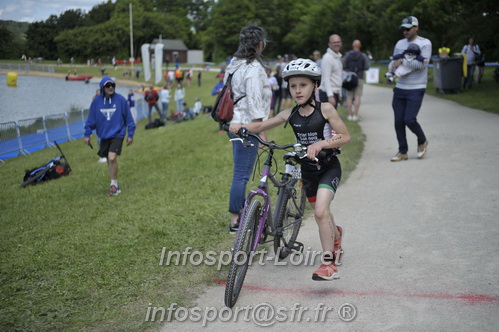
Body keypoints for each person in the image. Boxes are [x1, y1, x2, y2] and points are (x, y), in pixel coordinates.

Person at [229, 59, 350, 280]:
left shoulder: (326, 109)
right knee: (322, 213)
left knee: (321, 212)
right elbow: (262, 126)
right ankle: (336, 235)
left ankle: (328, 265)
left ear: (315, 85)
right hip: (308, 171)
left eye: (303, 85)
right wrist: (241, 126)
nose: (297, 90)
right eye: (293, 86)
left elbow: (345, 136)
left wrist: (321, 143)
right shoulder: (289, 114)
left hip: (327, 168)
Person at [225, 22, 272, 234]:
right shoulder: (253, 69)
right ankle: (236, 220)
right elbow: (254, 103)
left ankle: (240, 215)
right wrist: (261, 130)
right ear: (260, 44)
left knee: (240, 173)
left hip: (235, 122)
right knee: (242, 174)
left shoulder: (234, 64)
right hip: (246, 125)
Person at [84, 76, 136, 196]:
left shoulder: (121, 100)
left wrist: (130, 134)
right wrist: (87, 134)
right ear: (102, 87)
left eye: (112, 85)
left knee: (112, 158)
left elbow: (129, 119)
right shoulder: (96, 102)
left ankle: (114, 185)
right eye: (108, 86)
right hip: (104, 135)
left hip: (118, 134)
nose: (111, 87)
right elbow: (91, 119)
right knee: (109, 160)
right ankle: (113, 183)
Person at [390, 16, 431, 162]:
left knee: (409, 119)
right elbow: (393, 62)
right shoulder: (399, 43)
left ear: (416, 27)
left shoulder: (425, 43)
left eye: (408, 28)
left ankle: (422, 140)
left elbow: (422, 65)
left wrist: (402, 61)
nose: (405, 31)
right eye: (403, 29)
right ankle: (402, 151)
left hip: (416, 87)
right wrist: (392, 67)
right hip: (400, 87)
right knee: (399, 121)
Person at [342, 39, 370, 121]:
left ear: (353, 45)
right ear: (360, 46)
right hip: (359, 77)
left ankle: (350, 115)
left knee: (349, 96)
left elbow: (343, 64)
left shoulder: (348, 55)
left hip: (349, 78)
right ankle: (356, 115)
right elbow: (367, 67)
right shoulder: (363, 55)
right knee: (357, 97)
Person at [318, 34, 343, 108]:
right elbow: (326, 78)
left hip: (335, 92)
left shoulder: (338, 57)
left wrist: (340, 93)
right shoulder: (327, 58)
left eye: (338, 42)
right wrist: (330, 96)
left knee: (333, 119)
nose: (336, 44)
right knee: (328, 119)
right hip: (327, 93)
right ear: (329, 44)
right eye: (334, 42)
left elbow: (338, 76)